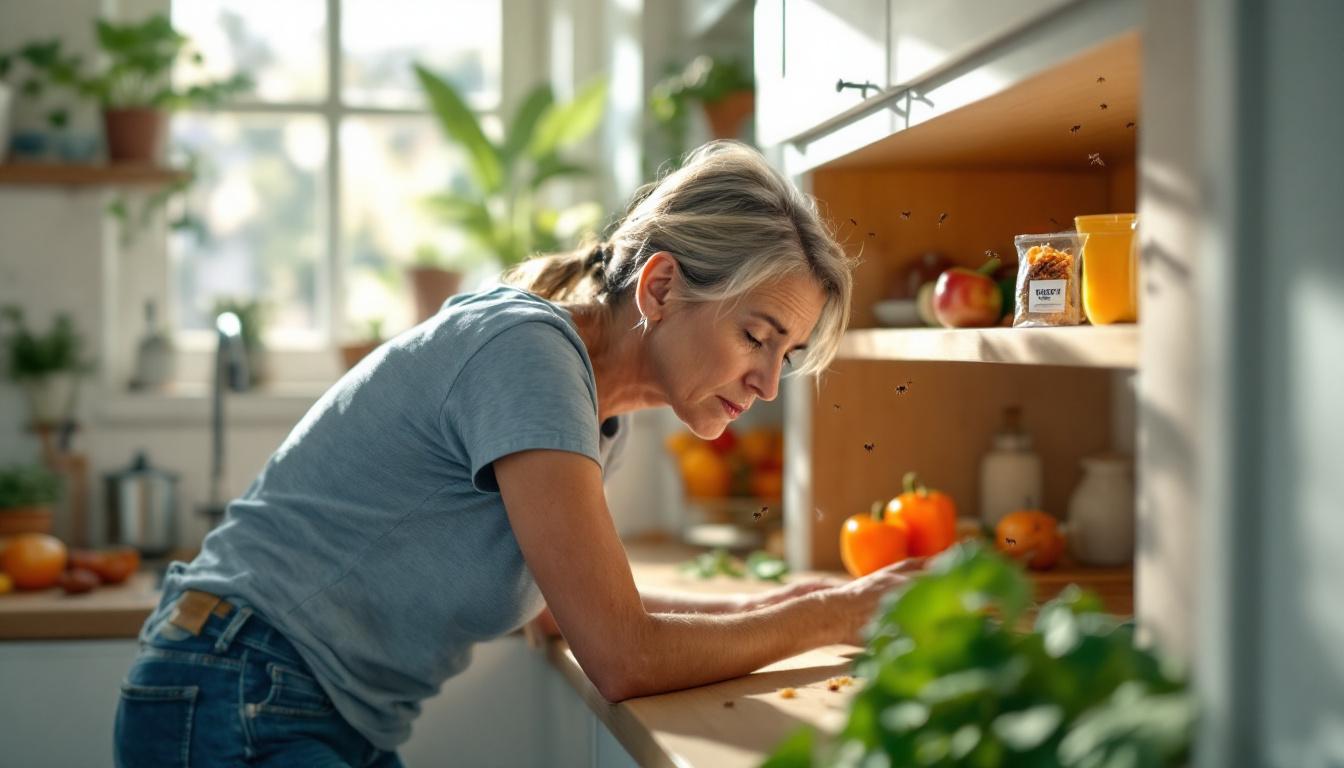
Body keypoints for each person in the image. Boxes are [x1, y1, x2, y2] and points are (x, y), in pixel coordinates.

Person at [113, 141, 922, 768]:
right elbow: (622, 655)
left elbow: (568, 616)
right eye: (757, 337)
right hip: (238, 691)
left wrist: (806, 602)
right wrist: (828, 615)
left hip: (287, 701)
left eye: (788, 354)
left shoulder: (597, 417)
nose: (769, 383)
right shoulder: (528, 358)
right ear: (662, 287)